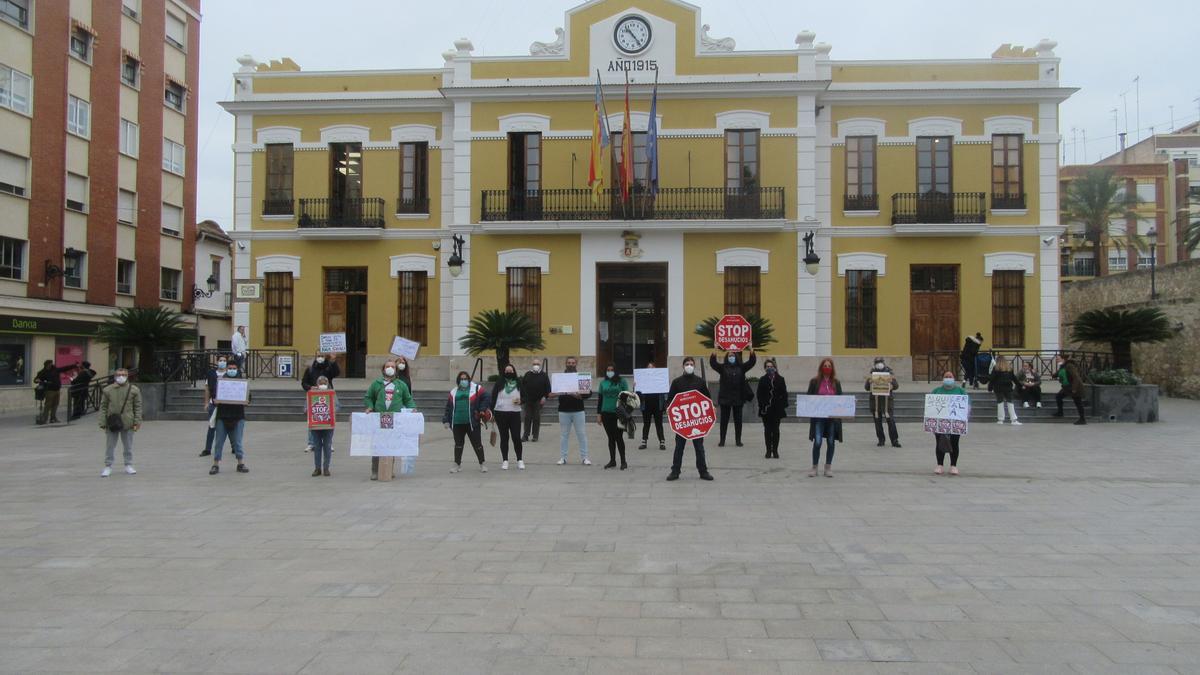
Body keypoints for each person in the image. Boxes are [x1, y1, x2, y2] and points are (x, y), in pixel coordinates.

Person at [364, 359, 417, 480]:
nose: (390, 368)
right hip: (379, 418)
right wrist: (370, 407)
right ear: (383, 369)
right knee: (378, 445)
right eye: (388, 366)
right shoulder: (376, 384)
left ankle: (389, 469)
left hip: (395, 419)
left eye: (393, 366)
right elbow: (368, 397)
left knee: (391, 445)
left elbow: (408, 399)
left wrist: (413, 408)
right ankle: (375, 470)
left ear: (396, 369)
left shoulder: (401, 385)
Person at [666, 357, 714, 482]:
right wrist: (668, 407)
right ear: (683, 366)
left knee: (699, 448)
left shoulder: (700, 382)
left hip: (697, 422)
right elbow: (670, 399)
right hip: (682, 423)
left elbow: (707, 399)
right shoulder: (677, 382)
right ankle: (675, 471)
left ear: (694, 366)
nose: (689, 366)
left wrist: (712, 407)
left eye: (691, 364)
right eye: (687, 364)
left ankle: (703, 471)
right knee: (679, 448)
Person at [443, 371, 490, 473]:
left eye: (465, 379)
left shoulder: (476, 388)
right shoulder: (453, 392)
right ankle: (457, 464)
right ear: (458, 380)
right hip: (457, 423)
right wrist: (446, 420)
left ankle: (482, 463)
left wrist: (482, 408)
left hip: (472, 422)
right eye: (461, 379)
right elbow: (448, 407)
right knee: (458, 444)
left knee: (477, 444)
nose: (463, 381)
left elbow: (487, 397)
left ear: (469, 379)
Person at [99, 368, 142, 477]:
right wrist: (102, 422)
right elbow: (103, 407)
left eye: (123, 375)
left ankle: (128, 464)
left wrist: (137, 421)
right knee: (110, 445)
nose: (121, 377)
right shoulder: (108, 390)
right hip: (112, 422)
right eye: (118, 375)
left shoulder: (134, 390)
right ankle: (108, 466)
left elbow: (138, 407)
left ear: (127, 376)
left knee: (128, 445)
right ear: (114, 377)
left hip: (128, 421)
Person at [709, 348, 756, 447]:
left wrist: (751, 349)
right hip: (725, 399)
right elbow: (713, 363)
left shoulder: (741, 367)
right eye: (730, 355)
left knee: (738, 421)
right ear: (727, 357)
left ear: (736, 357)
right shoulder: (722, 368)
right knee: (724, 421)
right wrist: (715, 349)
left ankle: (738, 440)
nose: (731, 357)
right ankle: (722, 440)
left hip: (738, 398)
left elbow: (752, 362)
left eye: (733, 355)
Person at [209, 362, 249, 475]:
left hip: (238, 416)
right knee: (219, 442)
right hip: (222, 416)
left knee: (237, 441)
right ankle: (215, 464)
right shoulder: (220, 383)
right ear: (227, 369)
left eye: (234, 368)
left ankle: (240, 463)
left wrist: (247, 401)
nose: (232, 370)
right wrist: (215, 400)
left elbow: (248, 397)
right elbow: (213, 395)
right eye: (230, 368)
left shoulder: (242, 383)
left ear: (237, 370)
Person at [805, 358, 843, 478]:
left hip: (832, 418)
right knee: (818, 441)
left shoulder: (836, 383)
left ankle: (828, 467)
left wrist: (849, 404)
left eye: (829, 365)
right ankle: (814, 467)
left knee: (831, 442)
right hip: (818, 417)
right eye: (825, 365)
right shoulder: (814, 382)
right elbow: (809, 397)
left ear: (832, 368)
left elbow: (840, 399)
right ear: (821, 367)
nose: (827, 367)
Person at [551, 356, 591, 466]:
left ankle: (585, 458)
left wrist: (580, 395)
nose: (571, 364)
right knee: (564, 435)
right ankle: (563, 458)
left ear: (576, 364)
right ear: (565, 364)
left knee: (581, 434)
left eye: (573, 363)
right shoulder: (559, 377)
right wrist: (554, 393)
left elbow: (588, 393)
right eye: (569, 362)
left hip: (578, 410)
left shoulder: (581, 377)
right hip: (563, 410)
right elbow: (551, 393)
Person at [301, 353, 341, 452]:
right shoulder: (310, 369)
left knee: (328, 421)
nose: (320, 358)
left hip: (327, 397)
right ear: (315, 356)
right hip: (314, 397)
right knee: (313, 420)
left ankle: (328, 443)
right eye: (318, 356)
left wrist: (333, 361)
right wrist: (310, 387)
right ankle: (311, 443)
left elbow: (336, 372)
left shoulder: (328, 368)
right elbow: (304, 383)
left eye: (322, 356)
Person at [931, 372, 968, 475]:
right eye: (946, 377)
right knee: (939, 442)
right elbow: (930, 405)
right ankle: (940, 465)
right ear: (942, 379)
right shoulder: (936, 391)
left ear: (954, 378)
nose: (948, 378)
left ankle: (953, 465)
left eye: (950, 377)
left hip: (955, 422)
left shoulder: (960, 391)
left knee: (954, 443)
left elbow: (966, 405)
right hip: (940, 422)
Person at [596, 365, 631, 470]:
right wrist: (599, 414)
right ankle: (612, 461)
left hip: (618, 413)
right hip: (606, 413)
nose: (610, 372)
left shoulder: (622, 381)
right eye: (608, 370)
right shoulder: (603, 383)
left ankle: (623, 461)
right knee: (610, 438)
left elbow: (627, 396)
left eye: (612, 370)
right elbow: (600, 399)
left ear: (616, 371)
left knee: (618, 437)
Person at [490, 364, 524, 470]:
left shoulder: (519, 382)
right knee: (504, 437)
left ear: (514, 371)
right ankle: (505, 460)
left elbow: (526, 396)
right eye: (507, 371)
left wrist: (521, 401)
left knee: (516, 437)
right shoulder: (499, 383)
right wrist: (491, 413)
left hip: (515, 413)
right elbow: (493, 397)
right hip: (501, 413)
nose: (509, 372)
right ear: (504, 372)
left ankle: (520, 460)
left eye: (511, 370)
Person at [865, 357, 901, 448]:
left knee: (891, 421)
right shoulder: (872, 373)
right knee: (878, 422)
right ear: (875, 364)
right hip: (875, 403)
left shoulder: (889, 373)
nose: (879, 364)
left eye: (880, 362)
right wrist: (869, 382)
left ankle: (894, 440)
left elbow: (896, 386)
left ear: (883, 363)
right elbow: (866, 387)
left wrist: (891, 383)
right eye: (877, 362)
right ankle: (881, 440)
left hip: (887, 403)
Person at [756, 358, 788, 459]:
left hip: (777, 409)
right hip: (766, 409)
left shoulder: (780, 379)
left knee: (776, 430)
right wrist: (762, 405)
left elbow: (784, 394)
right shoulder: (762, 379)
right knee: (767, 430)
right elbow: (759, 394)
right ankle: (768, 451)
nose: (769, 368)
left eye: (771, 367)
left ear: (775, 367)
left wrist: (782, 405)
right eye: (768, 367)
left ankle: (775, 450)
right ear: (765, 368)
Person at [199, 355, 229, 457]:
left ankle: (234, 448)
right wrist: (206, 403)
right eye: (220, 360)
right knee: (212, 426)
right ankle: (207, 449)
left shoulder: (229, 374)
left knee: (230, 427)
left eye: (224, 360)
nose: (222, 362)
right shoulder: (211, 374)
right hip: (214, 404)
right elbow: (207, 389)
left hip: (227, 405)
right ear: (217, 362)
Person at [309, 375, 337, 477]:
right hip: (315, 426)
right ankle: (317, 468)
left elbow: (338, 406)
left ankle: (326, 468)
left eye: (324, 383)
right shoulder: (311, 394)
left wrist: (332, 410)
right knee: (317, 447)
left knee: (327, 446)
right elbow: (306, 407)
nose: (322, 385)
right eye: (320, 383)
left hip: (328, 425)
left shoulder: (331, 394)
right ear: (317, 384)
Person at [637, 361, 666, 451]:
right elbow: (637, 393)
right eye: (649, 367)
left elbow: (665, 392)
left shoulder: (659, 378)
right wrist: (635, 387)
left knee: (659, 424)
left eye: (652, 367)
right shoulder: (642, 379)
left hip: (658, 404)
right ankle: (644, 441)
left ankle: (662, 441)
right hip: (646, 405)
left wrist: (665, 383)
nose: (650, 369)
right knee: (646, 423)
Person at [519, 359, 550, 443]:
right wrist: (522, 398)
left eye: (537, 364)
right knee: (527, 417)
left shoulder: (544, 375)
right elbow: (522, 387)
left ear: (540, 365)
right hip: (528, 400)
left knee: (536, 418)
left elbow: (548, 388)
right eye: (534, 364)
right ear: (532, 365)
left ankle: (535, 436)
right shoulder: (527, 374)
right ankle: (525, 435)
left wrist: (545, 397)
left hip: (538, 401)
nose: (535, 365)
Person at [1052, 354, 1087, 425]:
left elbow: (1076, 377)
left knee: (1078, 402)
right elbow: (1058, 373)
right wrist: (1054, 375)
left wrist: (1074, 389)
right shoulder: (1063, 366)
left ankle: (1082, 419)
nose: (1056, 360)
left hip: (1075, 387)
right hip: (1067, 387)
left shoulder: (1069, 366)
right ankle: (1060, 412)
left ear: (1063, 359)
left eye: (1058, 358)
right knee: (1058, 396)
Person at [989, 357, 1021, 425]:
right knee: (1010, 403)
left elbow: (992, 379)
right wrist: (1019, 385)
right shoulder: (1009, 368)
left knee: (1000, 403)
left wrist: (990, 388)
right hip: (1008, 388)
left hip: (998, 388)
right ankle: (1014, 419)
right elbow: (1014, 378)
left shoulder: (996, 369)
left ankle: (1000, 420)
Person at [34, 360, 67, 425]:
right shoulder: (42, 372)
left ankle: (53, 418)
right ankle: (44, 419)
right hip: (49, 391)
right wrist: (37, 380)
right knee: (48, 405)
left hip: (57, 390)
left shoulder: (55, 370)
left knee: (55, 404)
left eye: (51, 364)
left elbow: (65, 368)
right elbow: (35, 380)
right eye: (49, 364)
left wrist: (74, 366)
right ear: (46, 365)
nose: (51, 365)